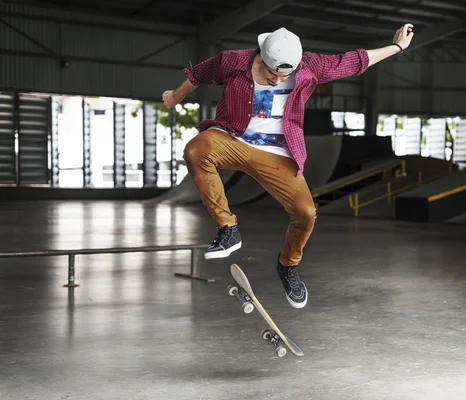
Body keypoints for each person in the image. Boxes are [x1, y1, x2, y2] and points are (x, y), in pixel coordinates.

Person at [162, 25, 414, 309]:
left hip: (278, 153)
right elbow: (197, 75)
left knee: (306, 213)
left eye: (284, 76)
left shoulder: (309, 67)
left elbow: (352, 62)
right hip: (232, 137)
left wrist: (397, 48)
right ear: (260, 57)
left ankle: (288, 266)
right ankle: (228, 228)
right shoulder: (233, 61)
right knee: (196, 150)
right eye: (272, 75)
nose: (278, 80)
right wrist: (175, 97)